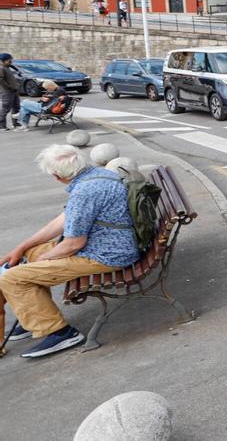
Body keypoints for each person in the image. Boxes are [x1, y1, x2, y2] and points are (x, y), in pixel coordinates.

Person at [0, 145, 140, 358]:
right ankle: (32, 313)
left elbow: (74, 244)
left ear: (57, 176)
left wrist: (42, 262)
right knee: (31, 253)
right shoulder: (96, 175)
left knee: (13, 278)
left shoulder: (85, 191)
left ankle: (60, 333)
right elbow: (62, 221)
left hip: (107, 255)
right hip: (112, 245)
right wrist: (21, 248)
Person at [1, 53, 21, 130]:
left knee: (16, 107)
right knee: (5, 108)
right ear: (4, 60)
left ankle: (16, 123)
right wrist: (10, 87)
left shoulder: (7, 67)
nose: (11, 61)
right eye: (9, 60)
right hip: (7, 92)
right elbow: (1, 80)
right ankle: (1, 125)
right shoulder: (1, 68)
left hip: (14, 91)